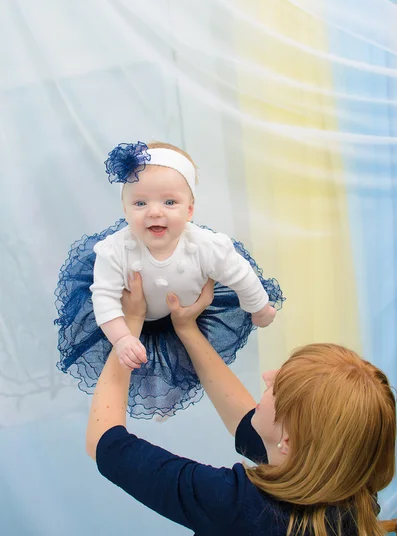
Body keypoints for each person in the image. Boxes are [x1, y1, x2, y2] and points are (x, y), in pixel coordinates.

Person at [86, 273, 396, 536]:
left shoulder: (237, 505)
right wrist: (187, 329)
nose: (267, 376)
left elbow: (106, 444)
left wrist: (130, 326)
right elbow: (246, 423)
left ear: (288, 440)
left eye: (280, 386)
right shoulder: (351, 494)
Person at [55, 141, 284, 419]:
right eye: (140, 203)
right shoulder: (115, 250)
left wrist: (258, 308)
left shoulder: (205, 246)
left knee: (183, 365)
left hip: (190, 314)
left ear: (189, 210)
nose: (154, 211)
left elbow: (240, 275)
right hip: (131, 321)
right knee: (133, 361)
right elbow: (103, 299)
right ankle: (150, 399)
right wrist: (123, 338)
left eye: (169, 202)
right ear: (125, 210)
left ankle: (171, 398)